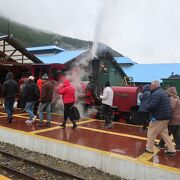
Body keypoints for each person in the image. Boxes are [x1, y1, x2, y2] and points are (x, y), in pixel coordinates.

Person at [145, 80, 176, 156]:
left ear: (154, 86)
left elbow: (153, 106)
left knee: (151, 132)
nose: (150, 87)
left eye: (151, 85)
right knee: (164, 133)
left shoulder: (156, 94)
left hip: (159, 117)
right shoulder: (162, 92)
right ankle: (172, 150)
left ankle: (149, 149)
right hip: (165, 116)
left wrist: (146, 107)